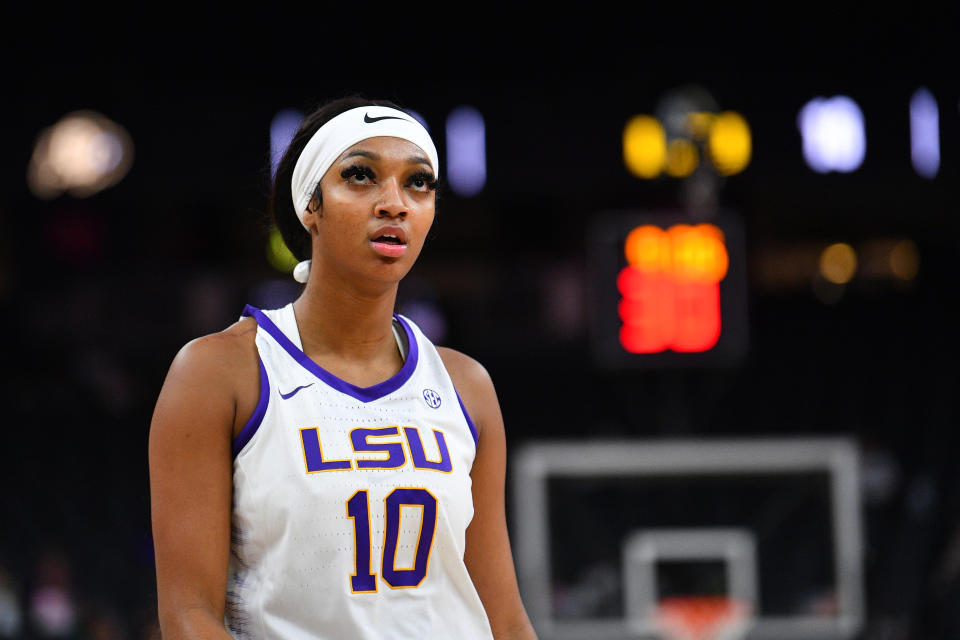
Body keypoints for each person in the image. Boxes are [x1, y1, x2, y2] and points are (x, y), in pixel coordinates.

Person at [148, 96, 538, 640]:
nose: (395, 203)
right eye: (360, 176)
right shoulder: (219, 372)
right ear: (311, 205)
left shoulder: (465, 385)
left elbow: (505, 619)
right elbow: (189, 616)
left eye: (418, 183)